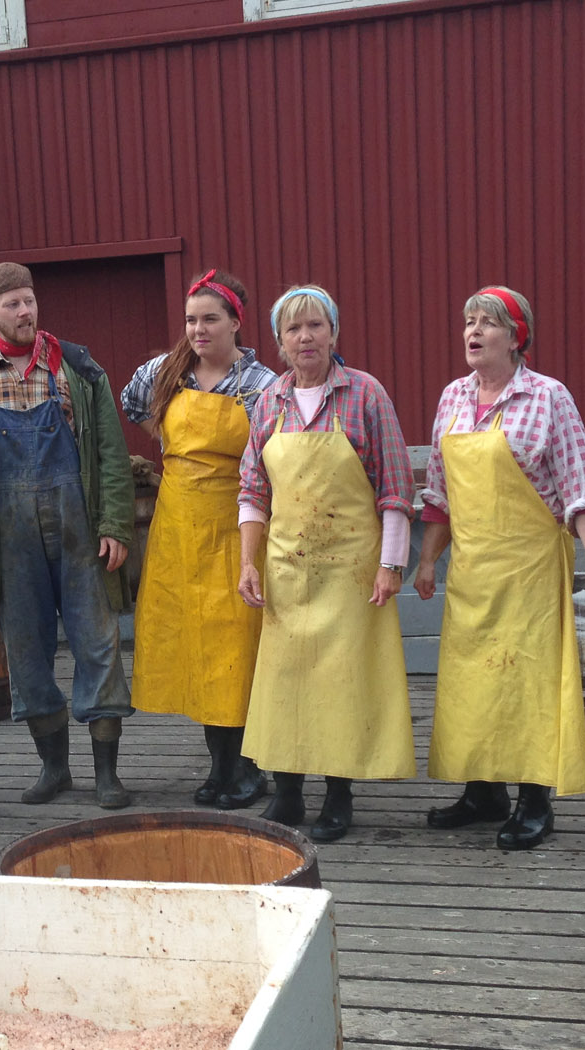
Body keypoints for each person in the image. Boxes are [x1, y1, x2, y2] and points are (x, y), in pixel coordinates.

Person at [414, 286, 585, 851]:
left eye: (488, 323)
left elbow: (582, 489)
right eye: (469, 322)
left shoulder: (548, 397)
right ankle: (484, 793)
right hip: (474, 566)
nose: (473, 332)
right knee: (474, 681)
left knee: (528, 681)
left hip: (530, 565)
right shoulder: (453, 398)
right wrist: (428, 560)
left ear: (516, 336)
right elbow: (440, 493)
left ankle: (533, 799)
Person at [0, 262, 136, 809]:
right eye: (12, 304)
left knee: (98, 646)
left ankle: (107, 774)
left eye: (29, 300)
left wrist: (115, 525)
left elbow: (111, 452)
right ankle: (54, 768)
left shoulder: (77, 368)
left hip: (80, 533)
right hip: (11, 545)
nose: (25, 311)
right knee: (27, 655)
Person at [237, 284, 416, 843]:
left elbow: (395, 486)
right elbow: (252, 490)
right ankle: (287, 792)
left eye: (315, 325)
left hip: (350, 569)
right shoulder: (270, 402)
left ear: (333, 333)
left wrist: (391, 566)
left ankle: (339, 796)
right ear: (279, 342)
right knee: (285, 682)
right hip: (287, 567)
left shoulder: (365, 394)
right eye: (293, 329)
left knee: (340, 682)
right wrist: (249, 562)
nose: (305, 337)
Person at [121, 269, 278, 809]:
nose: (198, 329)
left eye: (210, 318)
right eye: (191, 319)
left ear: (236, 321)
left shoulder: (261, 385)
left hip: (236, 526)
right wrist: (172, 452)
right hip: (177, 529)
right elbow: (134, 406)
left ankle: (249, 769)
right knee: (195, 651)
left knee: (235, 649)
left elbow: (274, 459)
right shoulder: (164, 373)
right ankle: (219, 768)